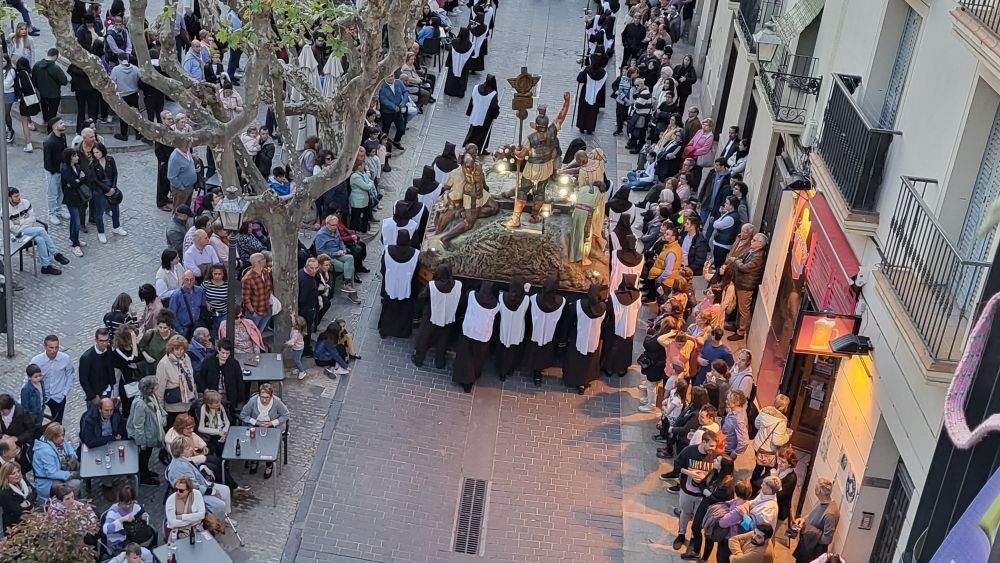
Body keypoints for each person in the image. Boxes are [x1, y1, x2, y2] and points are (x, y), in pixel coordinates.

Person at [671, 430, 720, 551]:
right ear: (703, 442)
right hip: (687, 491)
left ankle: (693, 539)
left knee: (698, 519)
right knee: (685, 513)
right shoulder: (689, 451)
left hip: (703, 494)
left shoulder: (716, 456)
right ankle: (681, 535)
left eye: (715, 446)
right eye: (711, 446)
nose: (713, 449)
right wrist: (690, 473)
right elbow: (677, 466)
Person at [7, 187, 71, 275]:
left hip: (30, 230)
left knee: (40, 239)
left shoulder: (25, 203)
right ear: (9, 198)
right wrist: (25, 221)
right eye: (15, 196)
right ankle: (56, 253)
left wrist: (20, 222)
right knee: (41, 230)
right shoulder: (5, 211)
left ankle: (46, 266)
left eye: (18, 195)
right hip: (17, 236)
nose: (18, 198)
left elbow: (32, 219)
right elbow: (13, 228)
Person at [452, 283, 500, 393]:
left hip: (469, 331)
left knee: (465, 356)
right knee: (478, 357)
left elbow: (468, 291)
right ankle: (474, 375)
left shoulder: (472, 296)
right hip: (483, 335)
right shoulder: (496, 305)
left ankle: (465, 380)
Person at [563, 283, 607, 395]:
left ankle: (571, 379)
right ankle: (584, 382)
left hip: (578, 336)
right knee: (589, 361)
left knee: (575, 358)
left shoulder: (579, 304)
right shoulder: (602, 308)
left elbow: (569, 315)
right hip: (594, 338)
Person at [239, 383, 288, 479]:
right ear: (259, 395)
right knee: (253, 440)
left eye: (267, 397)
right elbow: (243, 415)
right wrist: (256, 422)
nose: (264, 400)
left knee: (269, 444)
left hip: (272, 427)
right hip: (256, 426)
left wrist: (271, 423)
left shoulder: (277, 402)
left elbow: (286, 415)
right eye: (262, 397)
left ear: (271, 396)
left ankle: (269, 464)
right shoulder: (253, 401)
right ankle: (254, 460)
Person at [378, 231, 420, 339]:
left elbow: (383, 268)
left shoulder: (387, 250)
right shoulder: (416, 254)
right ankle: (403, 332)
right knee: (404, 311)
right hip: (406, 288)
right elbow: (416, 273)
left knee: (388, 309)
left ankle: (385, 330)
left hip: (390, 286)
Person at [125, 376, 165, 486]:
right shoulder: (140, 404)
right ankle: (143, 477)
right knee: (143, 456)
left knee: (147, 455)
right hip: (145, 436)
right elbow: (138, 425)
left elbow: (157, 408)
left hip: (150, 433)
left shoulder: (151, 396)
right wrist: (141, 442)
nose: (157, 387)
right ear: (149, 388)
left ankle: (145, 471)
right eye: (155, 386)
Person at [728, 233, 767, 340]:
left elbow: (744, 267)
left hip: (746, 285)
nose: (751, 241)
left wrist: (736, 261)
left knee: (743, 309)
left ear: (760, 244)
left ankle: (741, 332)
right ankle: (736, 325)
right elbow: (739, 257)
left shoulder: (758, 256)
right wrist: (737, 260)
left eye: (754, 240)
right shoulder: (751, 250)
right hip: (740, 282)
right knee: (739, 307)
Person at [29, 335, 74, 424]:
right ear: (45, 347)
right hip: (42, 398)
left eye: (56, 347)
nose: (54, 350)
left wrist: (64, 392)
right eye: (51, 348)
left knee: (57, 424)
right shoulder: (36, 361)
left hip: (58, 398)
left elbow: (70, 375)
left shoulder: (65, 359)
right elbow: (28, 379)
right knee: (39, 424)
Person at [792, 478, 840, 562]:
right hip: (807, 543)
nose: (814, 489)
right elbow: (812, 515)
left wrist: (809, 532)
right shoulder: (821, 501)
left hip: (813, 551)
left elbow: (827, 539)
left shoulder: (830, 515)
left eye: (816, 487)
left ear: (818, 491)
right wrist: (803, 519)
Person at [31, 423, 81, 501]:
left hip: (61, 471)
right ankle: (68, 502)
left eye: (63, 435)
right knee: (76, 483)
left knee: (81, 467)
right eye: (59, 436)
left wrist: (72, 456)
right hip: (48, 482)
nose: (62, 438)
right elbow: (51, 473)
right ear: (51, 436)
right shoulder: (45, 451)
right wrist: (71, 474)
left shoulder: (58, 441)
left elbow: (68, 446)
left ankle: (72, 498)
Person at [156, 335, 198, 429]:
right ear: (171, 349)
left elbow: (191, 378)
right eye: (177, 349)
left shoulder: (186, 358)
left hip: (188, 404)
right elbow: (159, 389)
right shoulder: (164, 363)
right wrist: (161, 411)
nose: (180, 352)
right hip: (173, 407)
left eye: (182, 349)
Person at [315, 215, 360, 298]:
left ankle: (347, 283)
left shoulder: (335, 230)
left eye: (336, 225)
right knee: (349, 268)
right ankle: (351, 292)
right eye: (333, 225)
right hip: (328, 258)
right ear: (327, 224)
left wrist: (343, 249)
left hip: (339, 254)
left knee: (350, 258)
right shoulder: (320, 235)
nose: (335, 227)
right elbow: (319, 252)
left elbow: (340, 241)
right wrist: (335, 253)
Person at [752, 394, 791, 486]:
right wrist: (787, 436)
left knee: (758, 467)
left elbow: (757, 425)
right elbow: (777, 441)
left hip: (758, 445)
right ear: (785, 407)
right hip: (769, 451)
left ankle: (751, 484)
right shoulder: (781, 421)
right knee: (770, 471)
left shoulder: (764, 410)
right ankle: (759, 486)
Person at [102, 485, 154, 552]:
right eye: (125, 504)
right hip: (119, 543)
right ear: (119, 501)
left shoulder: (136, 506)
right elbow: (105, 529)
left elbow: (145, 516)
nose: (128, 506)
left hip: (132, 537)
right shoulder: (113, 512)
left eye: (130, 503)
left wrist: (145, 518)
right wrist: (121, 520)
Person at [60, 148, 89, 257]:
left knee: (74, 220)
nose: (77, 157)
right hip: (71, 199)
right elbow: (74, 183)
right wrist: (79, 180)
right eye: (75, 156)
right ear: (69, 158)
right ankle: (75, 245)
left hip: (78, 197)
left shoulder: (77, 166)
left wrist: (78, 180)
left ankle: (73, 239)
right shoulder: (66, 169)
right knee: (76, 221)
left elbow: (83, 178)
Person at [164, 474, 208, 541]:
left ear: (189, 490)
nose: (178, 492)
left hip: (196, 528)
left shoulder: (197, 494)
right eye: (176, 489)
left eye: (181, 490)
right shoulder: (171, 500)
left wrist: (181, 517)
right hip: (177, 531)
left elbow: (202, 515)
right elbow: (172, 523)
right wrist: (193, 520)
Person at [463, 75, 500, 153]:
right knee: (482, 134)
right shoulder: (493, 94)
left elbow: (471, 101)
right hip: (485, 118)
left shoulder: (476, 88)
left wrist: (469, 112)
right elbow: (494, 107)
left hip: (475, 114)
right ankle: (480, 149)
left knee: (473, 131)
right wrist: (495, 114)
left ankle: (468, 145)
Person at [31, 48, 68, 123]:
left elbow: (33, 80)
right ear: (56, 56)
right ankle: (51, 127)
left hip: (42, 93)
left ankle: (45, 122)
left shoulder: (37, 65)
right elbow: (64, 81)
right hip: (54, 95)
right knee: (53, 115)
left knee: (45, 112)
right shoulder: (56, 68)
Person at [241, 252, 274, 331]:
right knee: (252, 333)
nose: (265, 260)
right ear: (258, 262)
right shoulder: (248, 278)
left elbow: (269, 288)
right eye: (263, 259)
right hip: (255, 313)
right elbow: (246, 298)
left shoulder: (265, 272)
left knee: (259, 332)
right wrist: (253, 312)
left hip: (267, 309)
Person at [575, 57, 607, 135]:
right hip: (597, 96)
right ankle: (590, 128)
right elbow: (603, 87)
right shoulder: (603, 73)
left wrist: (581, 72)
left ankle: (582, 126)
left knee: (583, 110)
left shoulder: (587, 70)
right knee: (593, 112)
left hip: (585, 93)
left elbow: (580, 79)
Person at [0, 461, 35, 532]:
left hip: (30, 520)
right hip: (14, 524)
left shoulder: (23, 480)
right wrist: (29, 502)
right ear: (6, 476)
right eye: (13, 473)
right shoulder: (4, 491)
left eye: (18, 471)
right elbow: (17, 509)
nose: (17, 475)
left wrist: (27, 502)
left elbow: (34, 492)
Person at [443, 28, 474, 98]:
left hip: (453, 63)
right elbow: (473, 54)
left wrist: (447, 63)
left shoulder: (454, 42)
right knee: (462, 78)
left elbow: (450, 53)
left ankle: (449, 91)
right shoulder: (470, 45)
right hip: (464, 66)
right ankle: (459, 93)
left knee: (451, 77)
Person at [721, 391, 750, 457]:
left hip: (727, 449)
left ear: (737, 402)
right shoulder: (737, 410)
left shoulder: (738, 419)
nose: (726, 401)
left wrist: (735, 453)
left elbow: (744, 442)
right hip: (724, 443)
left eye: (728, 400)